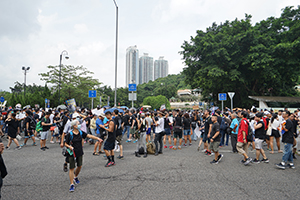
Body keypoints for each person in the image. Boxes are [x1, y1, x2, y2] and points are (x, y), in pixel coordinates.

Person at [64, 120, 102, 192]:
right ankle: (71, 184)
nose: (80, 125)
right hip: (72, 153)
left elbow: (88, 135)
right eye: (78, 124)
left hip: (79, 152)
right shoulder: (70, 134)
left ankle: (75, 177)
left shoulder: (81, 132)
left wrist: (97, 138)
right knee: (72, 168)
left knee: (80, 166)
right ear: (74, 126)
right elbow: (65, 143)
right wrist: (70, 147)